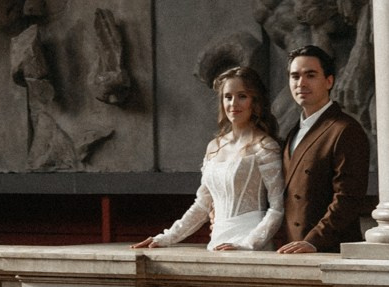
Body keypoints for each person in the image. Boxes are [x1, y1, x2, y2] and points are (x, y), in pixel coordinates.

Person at [135, 65, 284, 251]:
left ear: (255, 102)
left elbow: (277, 208)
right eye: (228, 97)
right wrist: (166, 238)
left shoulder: (265, 146)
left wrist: (247, 244)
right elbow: (203, 205)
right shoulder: (214, 146)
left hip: (250, 242)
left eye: (242, 96)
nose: (233, 104)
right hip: (218, 242)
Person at [276, 45, 370, 253]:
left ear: (329, 81)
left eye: (310, 75)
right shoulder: (293, 132)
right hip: (292, 250)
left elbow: (348, 198)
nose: (301, 83)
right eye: (295, 76)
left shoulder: (345, 129)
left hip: (329, 251)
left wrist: (314, 241)